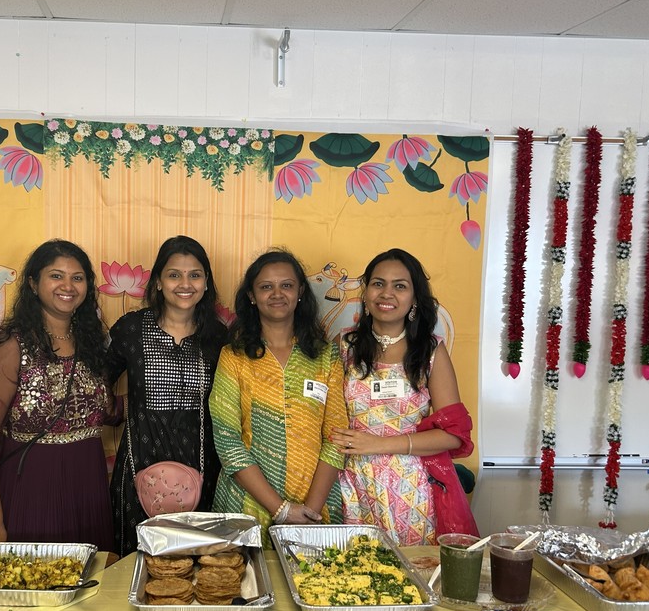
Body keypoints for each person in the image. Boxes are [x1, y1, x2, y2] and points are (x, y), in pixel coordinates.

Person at [0, 239, 115, 551]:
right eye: (56, 276)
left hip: (88, 488)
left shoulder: (91, 342)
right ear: (33, 284)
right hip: (30, 489)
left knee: (90, 590)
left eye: (78, 278)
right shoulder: (11, 347)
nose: (68, 286)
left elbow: (107, 409)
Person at [331, 248, 475, 546]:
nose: (387, 294)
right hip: (350, 483)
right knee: (348, 579)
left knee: (411, 579)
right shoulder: (344, 346)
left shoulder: (431, 351)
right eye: (378, 283)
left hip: (410, 488)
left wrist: (381, 444)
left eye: (400, 286)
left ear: (414, 298)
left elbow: (454, 435)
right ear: (366, 291)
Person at [210, 249, 347, 533]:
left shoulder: (326, 356)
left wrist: (309, 512)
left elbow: (337, 436)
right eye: (265, 287)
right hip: (246, 505)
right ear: (251, 295)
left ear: (300, 293)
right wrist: (281, 510)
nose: (277, 294)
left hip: (317, 505)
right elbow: (227, 439)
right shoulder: (234, 357)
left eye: (286, 285)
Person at [107, 236, 228, 555]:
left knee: (196, 564)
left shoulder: (218, 338)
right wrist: (118, 410)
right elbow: (96, 382)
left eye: (195, 275)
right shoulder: (130, 330)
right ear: (158, 282)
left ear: (206, 283)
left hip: (201, 470)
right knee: (135, 561)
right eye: (174, 275)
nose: (184, 284)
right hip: (138, 467)